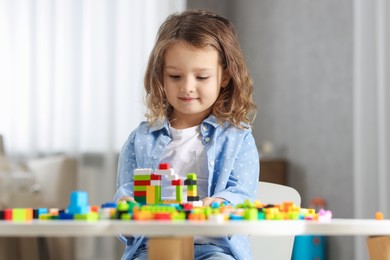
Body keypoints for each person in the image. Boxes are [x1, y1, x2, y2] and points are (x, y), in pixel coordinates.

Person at [114, 9, 259, 260]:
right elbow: (126, 195)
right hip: (154, 247)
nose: (187, 87)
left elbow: (242, 194)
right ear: (160, 75)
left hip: (214, 248)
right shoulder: (141, 139)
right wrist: (127, 209)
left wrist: (222, 203)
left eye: (202, 76)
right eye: (175, 76)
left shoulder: (237, 137)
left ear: (224, 77)